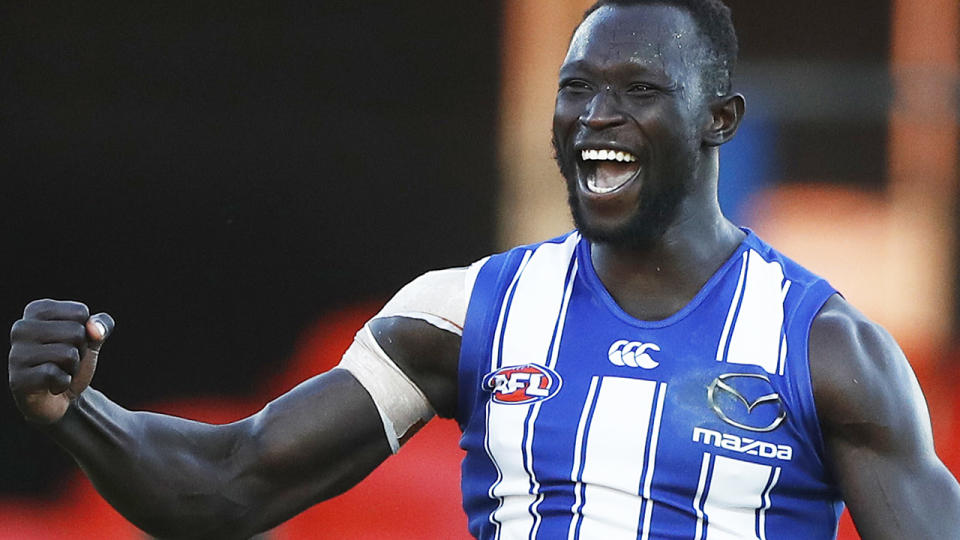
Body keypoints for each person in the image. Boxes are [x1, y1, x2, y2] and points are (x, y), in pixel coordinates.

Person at [8, 0, 960, 538]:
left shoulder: (829, 351)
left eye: (638, 92)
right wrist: (75, 410)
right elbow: (229, 483)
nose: (597, 117)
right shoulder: (464, 313)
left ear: (721, 120)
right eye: (577, 89)